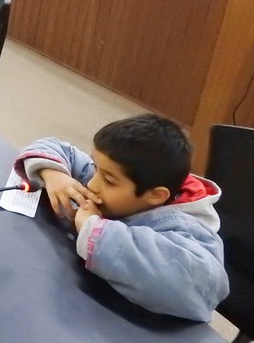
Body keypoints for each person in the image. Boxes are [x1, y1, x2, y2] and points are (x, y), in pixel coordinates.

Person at [13, 113, 229, 322]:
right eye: (96, 168)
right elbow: (51, 146)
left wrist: (91, 227)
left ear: (155, 196)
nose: (92, 183)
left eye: (108, 180)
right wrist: (55, 175)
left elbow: (194, 286)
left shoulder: (189, 231)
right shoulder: (116, 176)